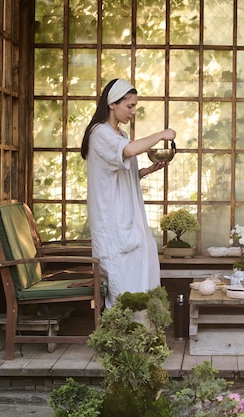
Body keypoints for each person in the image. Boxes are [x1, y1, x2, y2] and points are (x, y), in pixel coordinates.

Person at [81, 78, 176, 308]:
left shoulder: (120, 134)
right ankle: (124, 331)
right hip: (113, 221)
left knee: (142, 266)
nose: (133, 111)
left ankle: (142, 327)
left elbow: (120, 172)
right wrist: (162, 134)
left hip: (129, 219)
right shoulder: (100, 133)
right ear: (112, 104)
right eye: (129, 106)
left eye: (135, 106)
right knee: (122, 278)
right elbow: (130, 150)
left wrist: (146, 170)